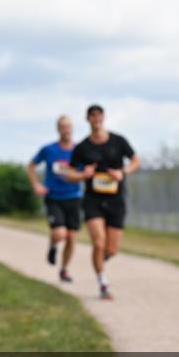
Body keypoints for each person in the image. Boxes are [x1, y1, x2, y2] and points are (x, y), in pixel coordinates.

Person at [65, 105, 140, 299]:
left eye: (99, 116)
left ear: (104, 118)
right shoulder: (82, 147)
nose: (96, 120)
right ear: (87, 119)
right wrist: (83, 174)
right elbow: (70, 173)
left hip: (116, 199)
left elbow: (135, 161)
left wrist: (122, 173)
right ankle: (103, 283)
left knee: (111, 249)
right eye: (92, 116)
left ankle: (100, 261)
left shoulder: (118, 141)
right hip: (93, 200)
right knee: (98, 242)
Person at [28, 115, 83, 283]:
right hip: (53, 197)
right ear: (58, 129)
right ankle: (53, 246)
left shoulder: (79, 151)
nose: (66, 130)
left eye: (68, 127)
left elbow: (83, 172)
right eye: (62, 127)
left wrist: (80, 175)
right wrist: (36, 185)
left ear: (72, 129)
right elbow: (31, 165)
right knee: (60, 234)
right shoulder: (49, 149)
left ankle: (64, 269)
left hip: (73, 197)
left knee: (72, 237)